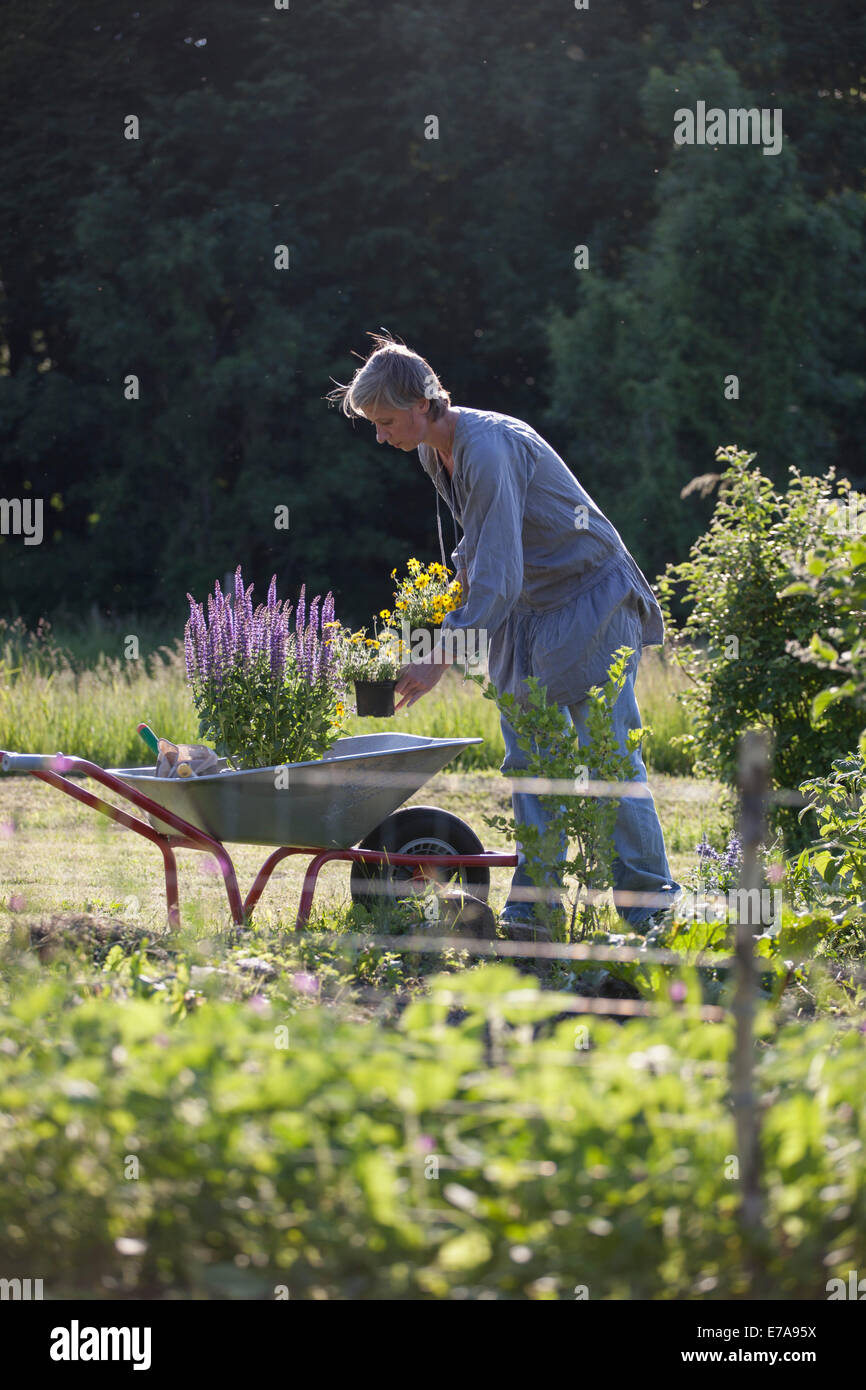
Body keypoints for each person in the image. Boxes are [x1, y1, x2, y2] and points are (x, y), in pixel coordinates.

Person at [327, 333, 682, 933]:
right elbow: (486, 545)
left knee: (609, 757)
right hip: (528, 610)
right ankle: (533, 912)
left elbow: (500, 573)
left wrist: (442, 653)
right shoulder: (433, 451)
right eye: (374, 425)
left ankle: (652, 911)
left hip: (588, 596)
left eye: (386, 421)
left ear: (423, 403)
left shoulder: (489, 447)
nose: (382, 436)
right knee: (530, 760)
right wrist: (440, 602)